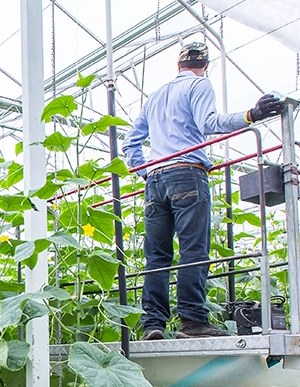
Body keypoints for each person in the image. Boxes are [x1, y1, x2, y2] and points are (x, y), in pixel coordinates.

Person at [122, 41, 285, 340]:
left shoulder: (155, 97)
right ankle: (193, 322)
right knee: (193, 250)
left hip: (156, 181)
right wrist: (252, 114)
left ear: (178, 65)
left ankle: (153, 325)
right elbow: (209, 123)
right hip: (187, 175)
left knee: (157, 256)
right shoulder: (200, 85)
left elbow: (130, 143)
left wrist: (146, 172)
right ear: (206, 65)